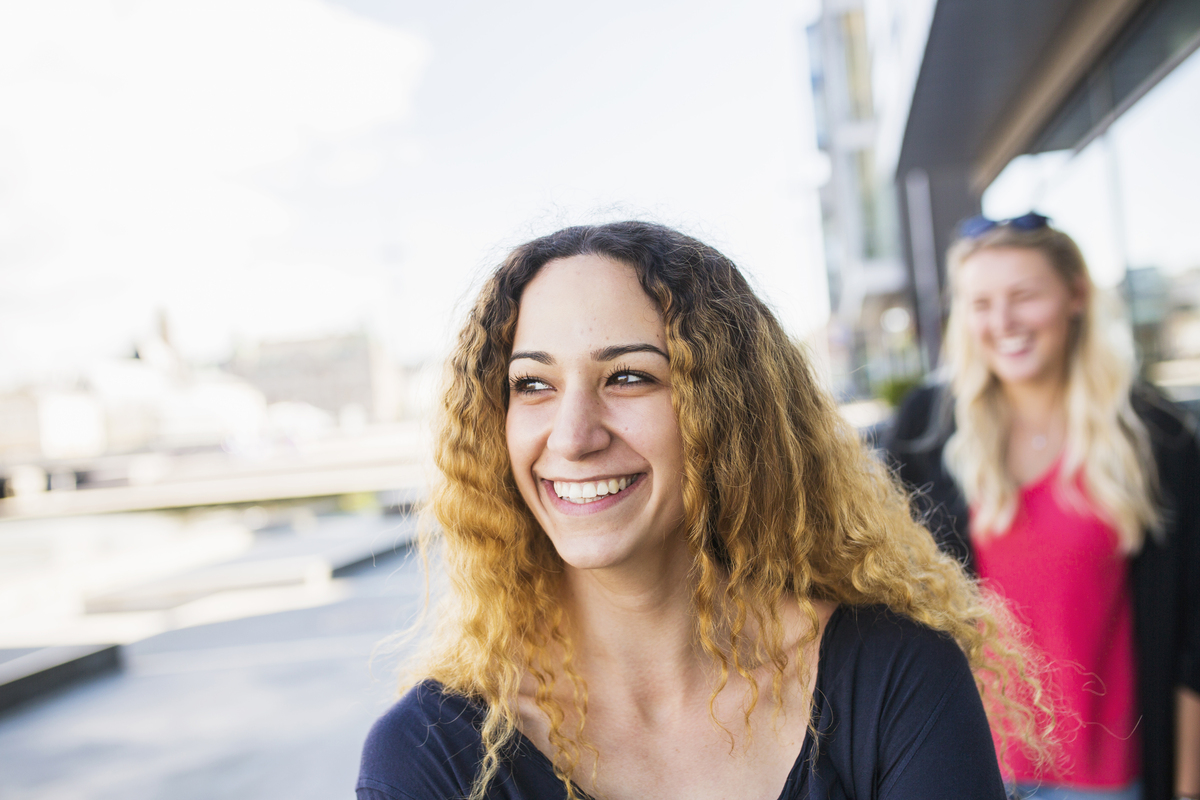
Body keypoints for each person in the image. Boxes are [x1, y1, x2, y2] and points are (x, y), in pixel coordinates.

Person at [358, 221, 1051, 800]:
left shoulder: (896, 679)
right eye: (533, 384)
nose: (572, 436)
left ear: (728, 412)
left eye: (628, 376)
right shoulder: (430, 755)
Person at [886, 213, 1200, 800]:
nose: (1003, 322)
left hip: (1109, 778)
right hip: (965, 767)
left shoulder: (1157, 436)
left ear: (1075, 296)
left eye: (1024, 296)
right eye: (981, 304)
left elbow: (1192, 634)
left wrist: (1187, 786)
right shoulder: (926, 428)